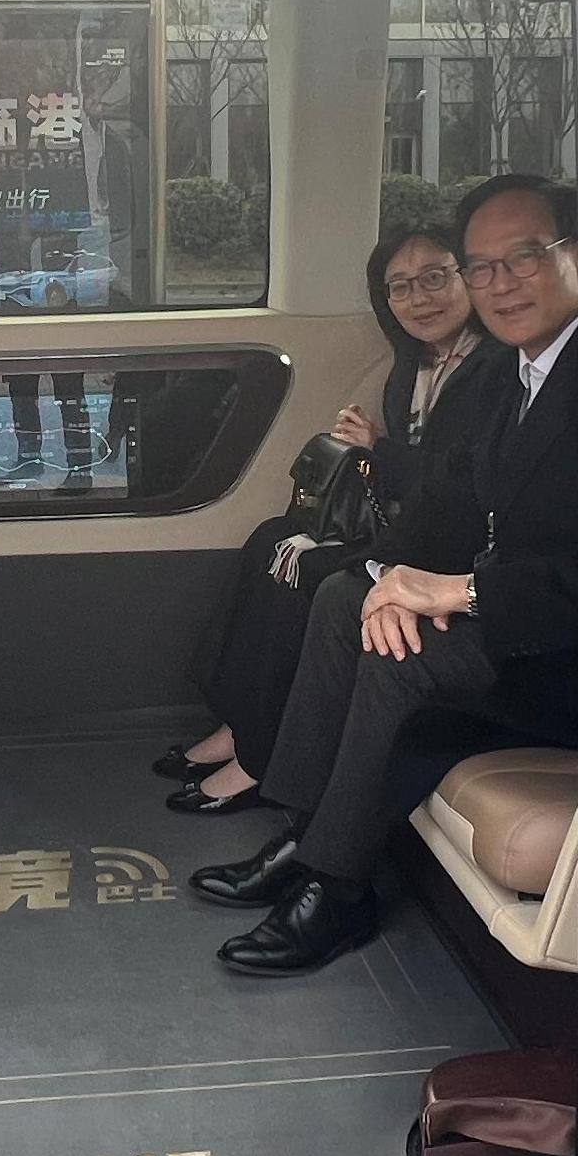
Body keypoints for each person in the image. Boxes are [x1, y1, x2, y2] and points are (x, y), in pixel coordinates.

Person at [194, 176, 578, 976]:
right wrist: (383, 573)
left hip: (570, 657)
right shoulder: (519, 373)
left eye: (525, 257)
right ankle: (306, 833)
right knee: (346, 597)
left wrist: (453, 591)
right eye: (483, 267)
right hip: (513, 619)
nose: (500, 282)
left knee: (394, 649)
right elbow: (447, 500)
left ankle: (339, 887)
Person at [162, 226, 501, 817]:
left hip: (450, 550)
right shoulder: (413, 367)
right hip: (411, 527)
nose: (419, 298)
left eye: (435, 277)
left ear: (468, 275)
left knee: (316, 573)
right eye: (399, 287)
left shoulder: (493, 369)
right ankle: (239, 723)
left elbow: (460, 489)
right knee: (271, 539)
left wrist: (380, 449)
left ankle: (261, 754)